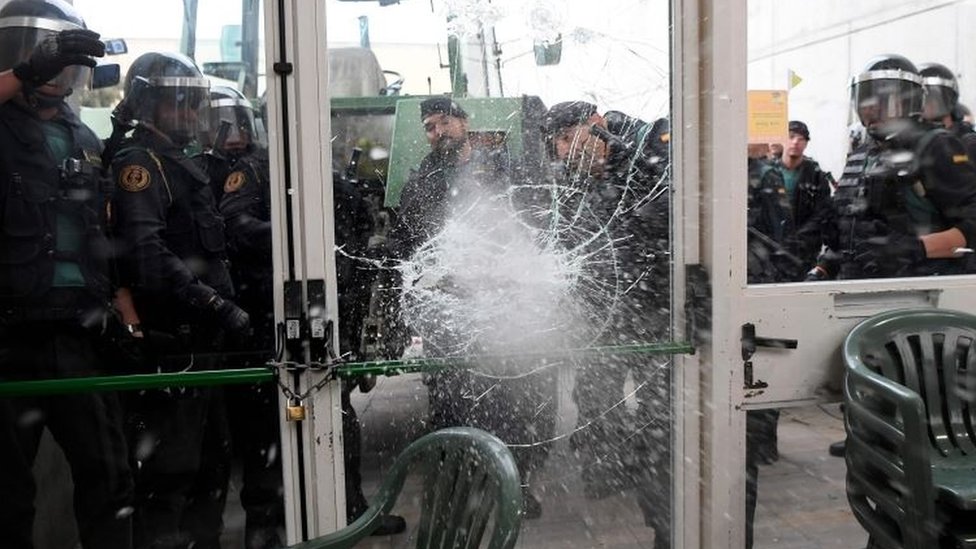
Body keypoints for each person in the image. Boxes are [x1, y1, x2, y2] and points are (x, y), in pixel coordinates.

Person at [0, 2, 134, 547]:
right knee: (6, 497)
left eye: (65, 65)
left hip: (78, 333)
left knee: (110, 480)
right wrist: (24, 73)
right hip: (8, 335)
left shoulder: (85, 139)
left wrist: (126, 317)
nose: (57, 78)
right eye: (47, 60)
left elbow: (102, 237)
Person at [387, 96, 554, 519]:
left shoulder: (500, 166)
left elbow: (531, 217)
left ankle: (513, 486)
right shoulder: (422, 178)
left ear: (464, 122)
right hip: (449, 308)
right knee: (449, 403)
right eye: (428, 127)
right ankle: (456, 487)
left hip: (500, 303)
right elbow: (407, 241)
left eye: (443, 122)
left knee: (508, 399)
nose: (436, 132)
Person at [109, 52, 250, 549]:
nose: (193, 115)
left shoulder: (179, 164)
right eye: (182, 104)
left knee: (211, 464)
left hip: (202, 344)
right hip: (175, 344)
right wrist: (213, 304)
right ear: (149, 105)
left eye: (195, 105)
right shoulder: (139, 165)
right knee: (171, 473)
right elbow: (148, 257)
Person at [542, 100, 671, 549]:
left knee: (659, 407)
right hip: (601, 316)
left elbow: (665, 218)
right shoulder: (577, 182)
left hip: (654, 311)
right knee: (597, 398)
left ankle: (659, 491)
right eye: (555, 143)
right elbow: (572, 239)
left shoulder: (645, 159)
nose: (560, 152)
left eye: (564, 138)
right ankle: (610, 474)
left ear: (594, 127)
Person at [809, 54, 976, 283]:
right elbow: (852, 235)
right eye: (866, 100)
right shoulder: (862, 152)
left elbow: (971, 225)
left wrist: (915, 249)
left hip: (919, 290)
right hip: (853, 286)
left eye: (883, 100)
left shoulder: (935, 146)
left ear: (909, 102)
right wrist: (822, 269)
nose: (871, 109)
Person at [203, 85, 284, 549]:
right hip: (240, 311)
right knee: (253, 426)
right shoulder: (206, 170)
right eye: (220, 123)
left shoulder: (268, 164)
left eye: (237, 122)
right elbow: (237, 228)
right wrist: (295, 233)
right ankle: (260, 520)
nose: (231, 134)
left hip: (267, 304)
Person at [918, 62, 976, 161]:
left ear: (949, 99)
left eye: (932, 97)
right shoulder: (915, 140)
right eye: (920, 98)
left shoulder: (968, 143)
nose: (925, 104)